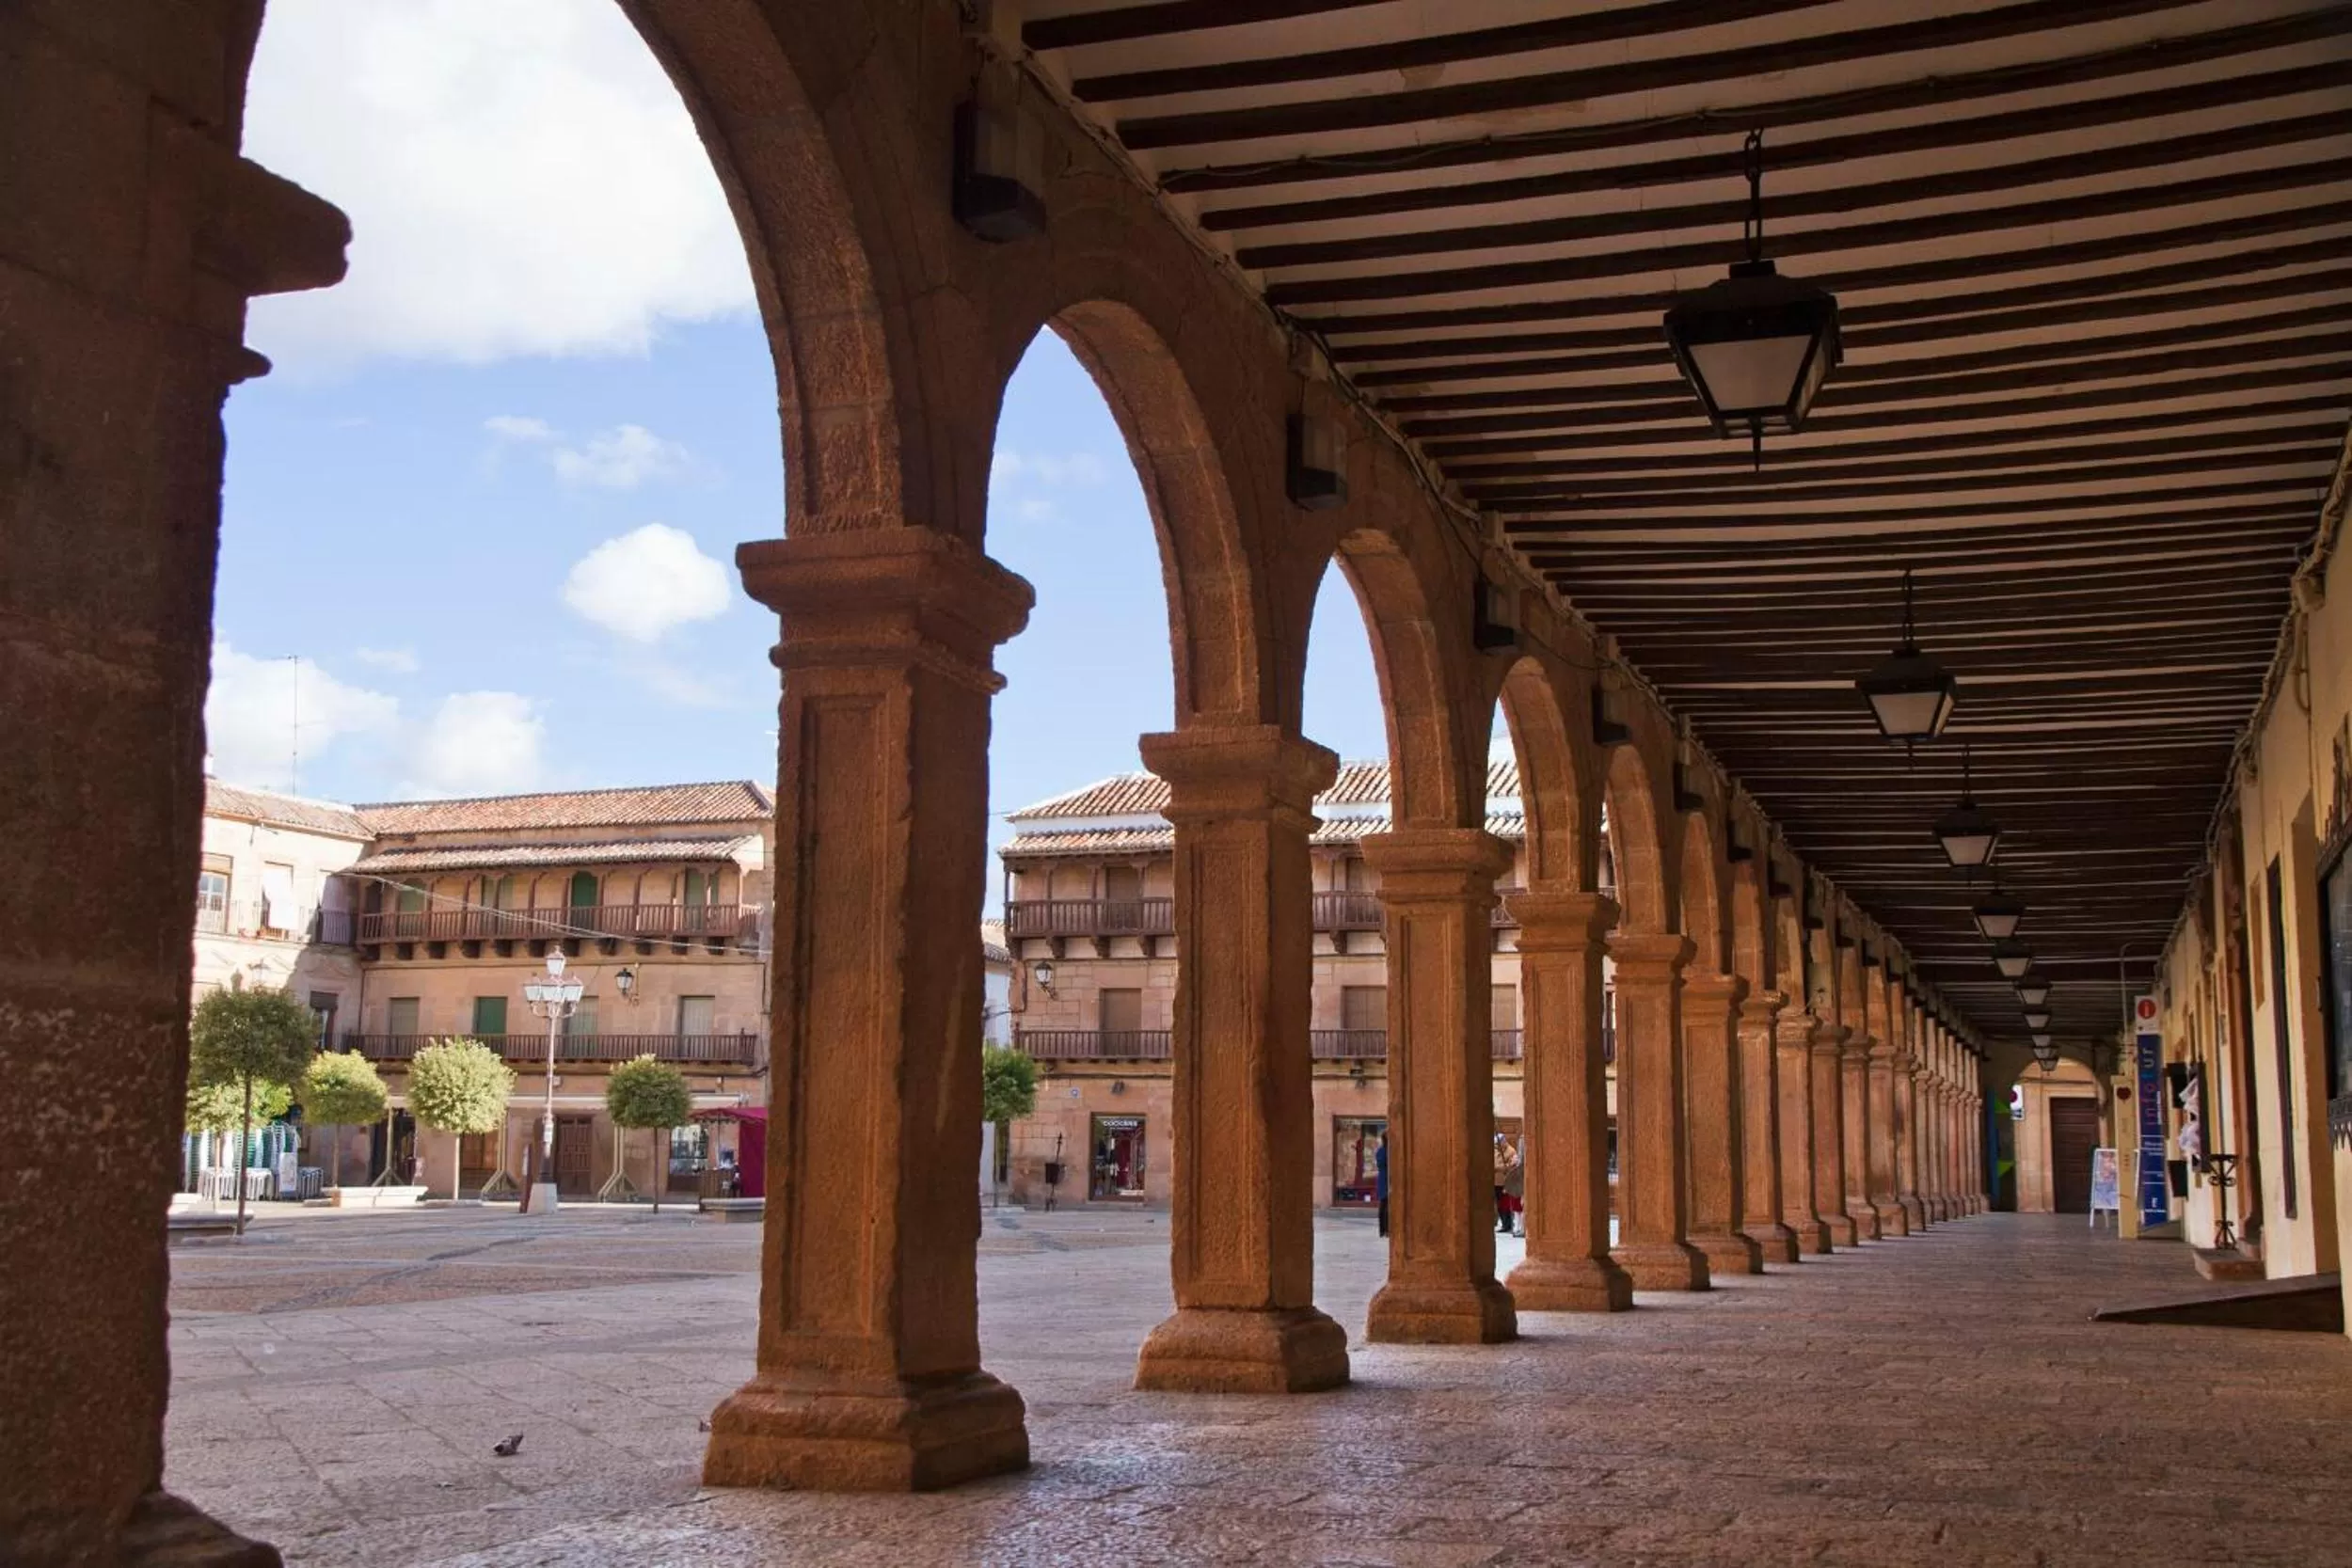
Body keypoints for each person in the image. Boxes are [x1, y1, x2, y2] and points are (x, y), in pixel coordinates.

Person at [1502, 1135, 1526, 1237]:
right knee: (1517, 1209)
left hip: (1523, 1187)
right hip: (1518, 1188)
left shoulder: (1513, 1151)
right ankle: (1519, 1228)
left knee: (1523, 1208)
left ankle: (1522, 1228)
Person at [1374, 1135, 1389, 1238]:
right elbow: (1382, 1163)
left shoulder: (1381, 1150)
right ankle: (1384, 1230)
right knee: (1384, 1206)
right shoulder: (1383, 1151)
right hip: (1384, 1180)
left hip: (1384, 1180)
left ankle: (1385, 1230)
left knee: (1384, 1206)